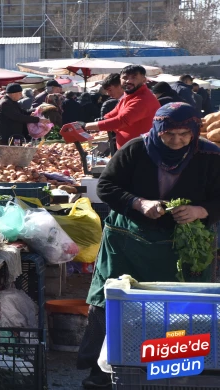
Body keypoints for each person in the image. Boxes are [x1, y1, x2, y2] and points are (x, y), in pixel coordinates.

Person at [76, 102, 220, 389]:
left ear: (194, 131)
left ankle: (175, 369)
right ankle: (103, 373)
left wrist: (200, 211)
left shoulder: (210, 155)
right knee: (114, 301)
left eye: (183, 134)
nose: (177, 141)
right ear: (157, 129)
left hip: (183, 246)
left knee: (180, 307)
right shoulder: (136, 149)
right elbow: (106, 187)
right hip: (128, 241)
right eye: (169, 135)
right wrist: (139, 203)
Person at [83, 65, 160, 150]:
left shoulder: (143, 98)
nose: (128, 81)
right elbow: (113, 113)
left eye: (134, 77)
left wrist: (86, 126)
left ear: (144, 80)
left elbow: (121, 121)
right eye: (125, 77)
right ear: (120, 80)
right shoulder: (129, 95)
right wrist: (100, 121)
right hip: (131, 150)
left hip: (142, 151)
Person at [98, 74, 124, 155]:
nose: (108, 94)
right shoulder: (122, 100)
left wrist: (87, 126)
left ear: (120, 86)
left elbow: (121, 121)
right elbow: (109, 116)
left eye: (110, 90)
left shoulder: (131, 100)